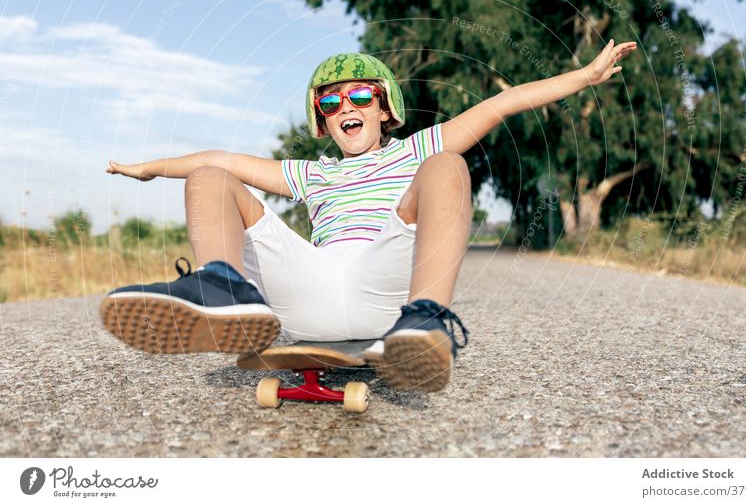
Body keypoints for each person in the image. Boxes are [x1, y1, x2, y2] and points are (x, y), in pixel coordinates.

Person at [101, 42, 636, 391]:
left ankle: (427, 318)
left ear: (385, 110)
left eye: (360, 96)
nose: (346, 108)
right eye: (331, 104)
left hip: (383, 290)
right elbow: (216, 158)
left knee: (447, 165)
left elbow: (501, 105)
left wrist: (583, 78)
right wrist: (149, 169)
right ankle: (223, 291)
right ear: (322, 122)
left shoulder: (412, 150)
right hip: (304, 296)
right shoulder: (311, 174)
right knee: (211, 176)